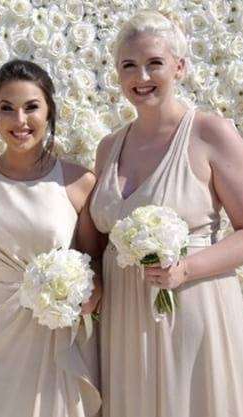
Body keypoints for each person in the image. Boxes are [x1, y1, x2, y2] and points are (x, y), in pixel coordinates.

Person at [90, 10, 243, 417]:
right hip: (125, 321)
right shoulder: (108, 148)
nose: (141, 76)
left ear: (180, 66)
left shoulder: (210, 133)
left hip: (192, 309)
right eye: (129, 66)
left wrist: (186, 269)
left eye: (154, 63)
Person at [0, 59, 102, 417]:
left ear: (49, 111)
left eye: (31, 107)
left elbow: (96, 261)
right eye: (7, 109)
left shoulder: (76, 181)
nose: (20, 121)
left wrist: (85, 294)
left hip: (55, 324)